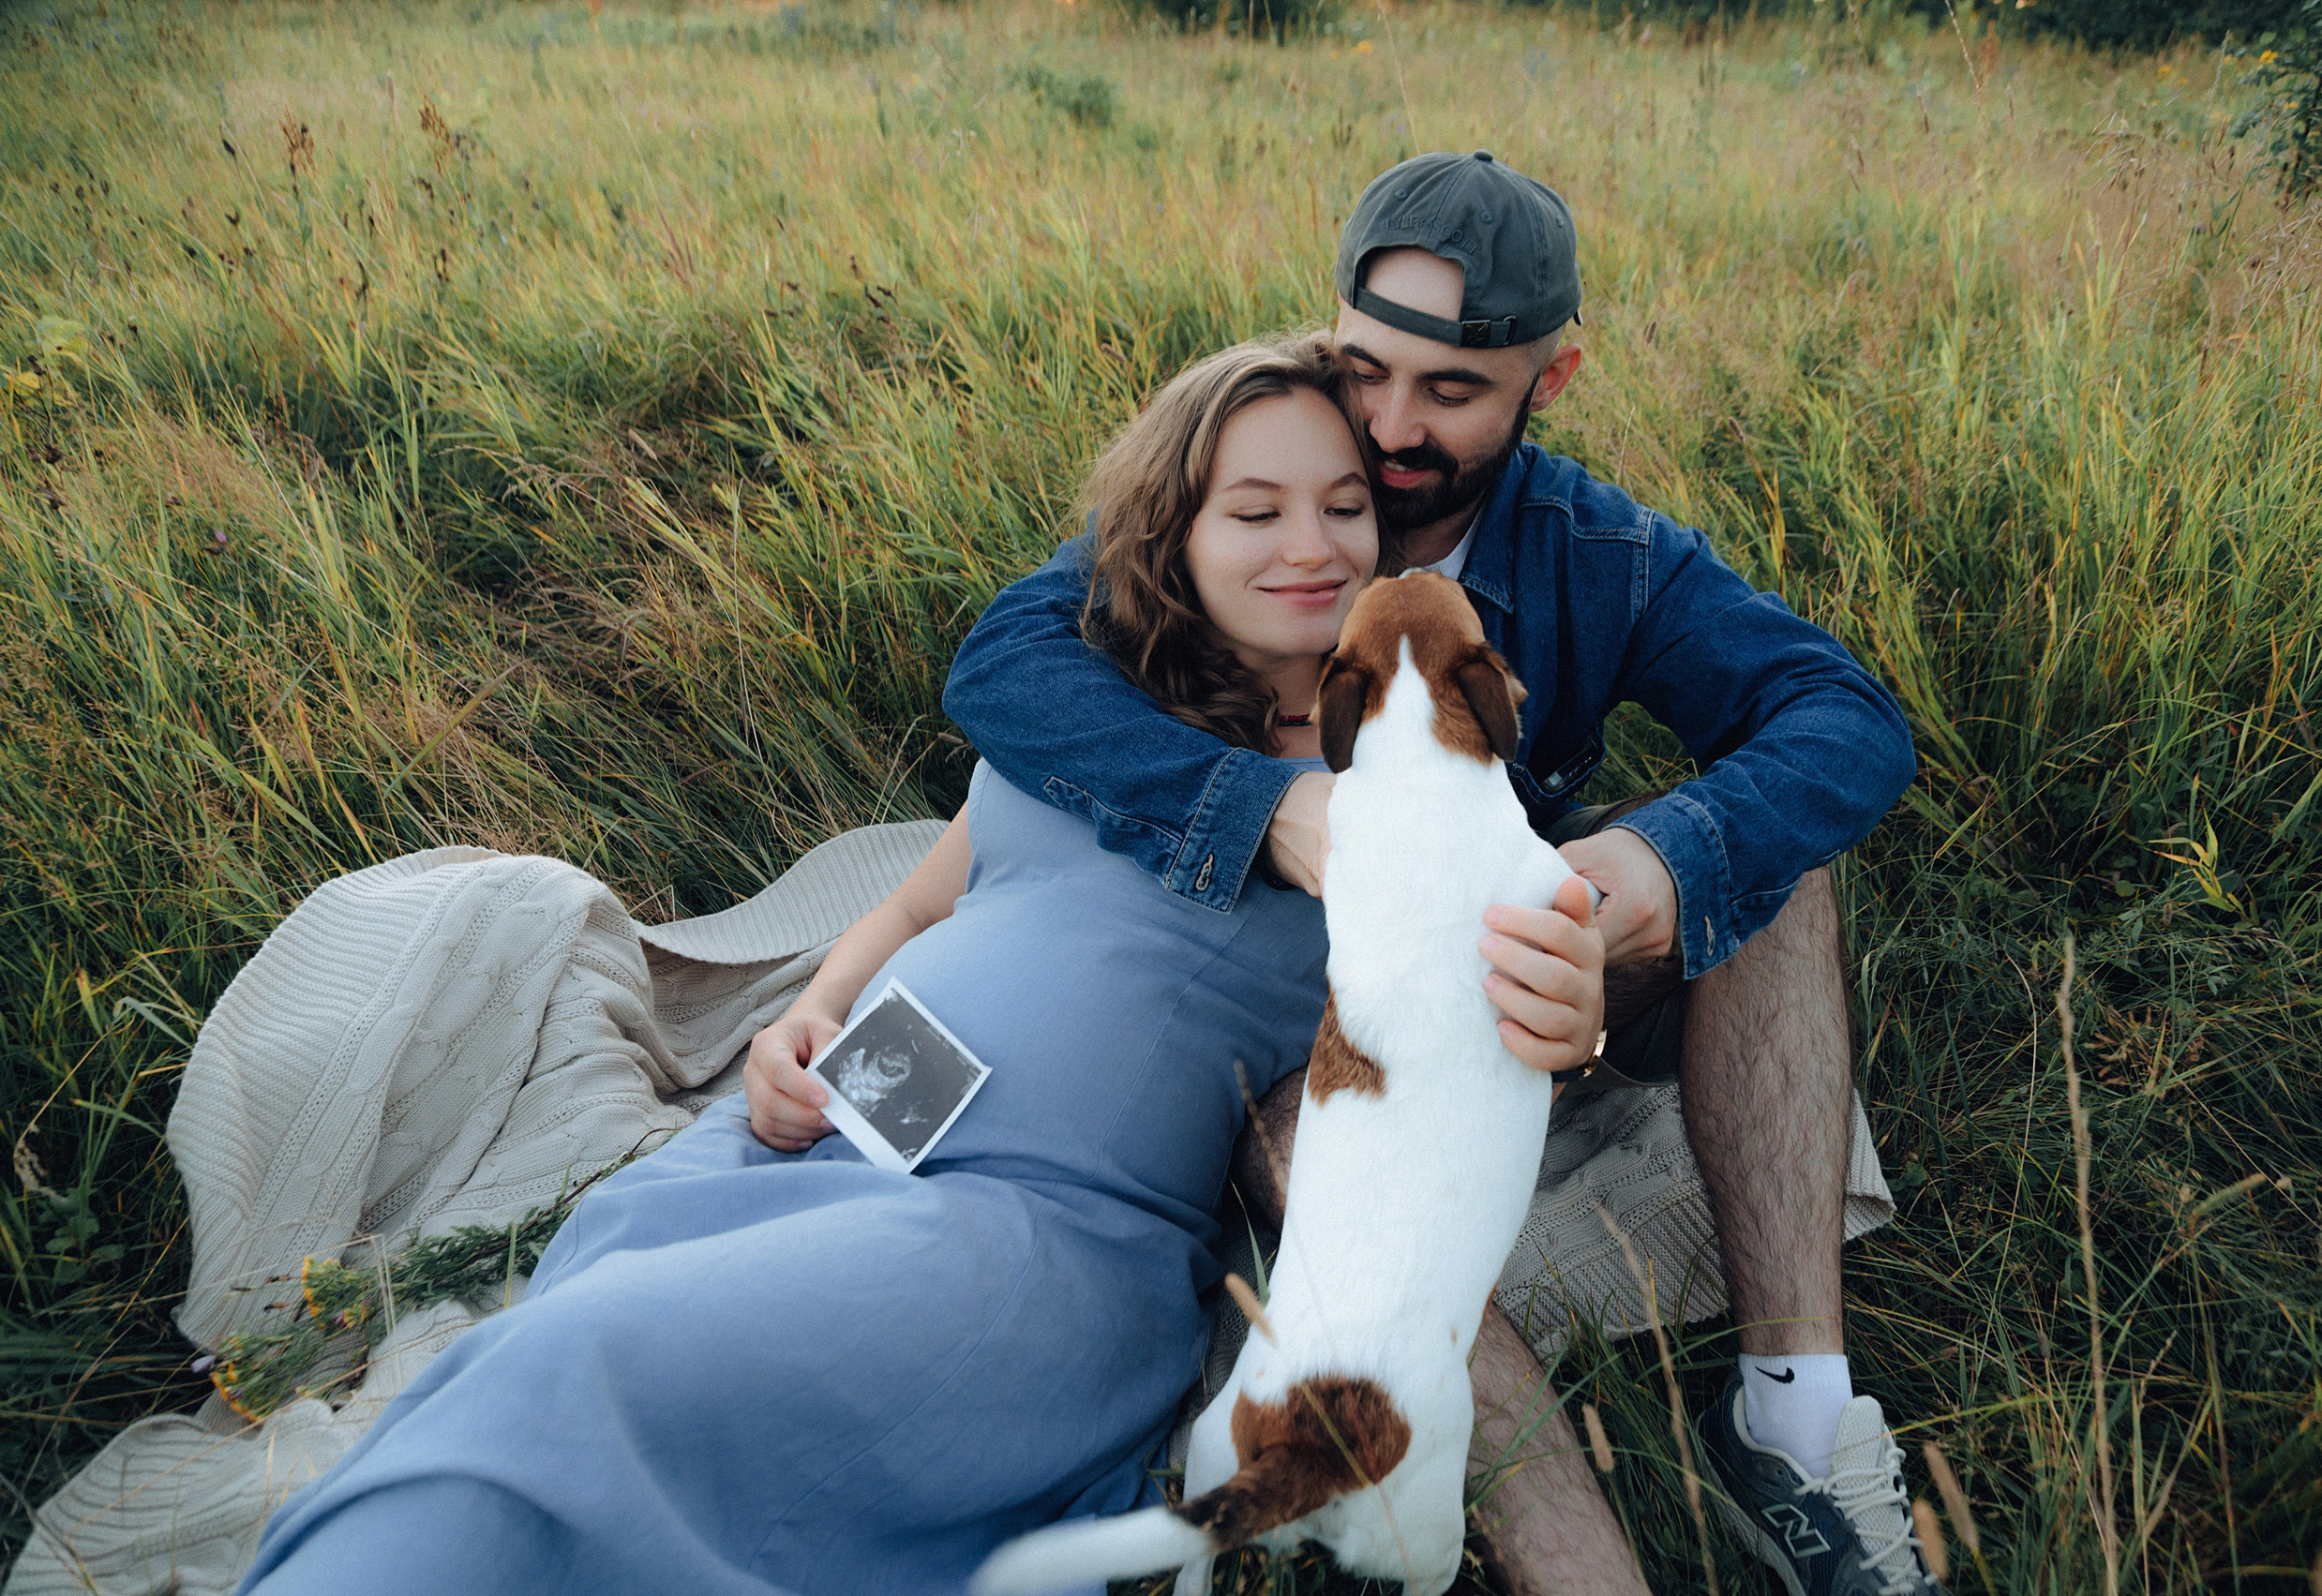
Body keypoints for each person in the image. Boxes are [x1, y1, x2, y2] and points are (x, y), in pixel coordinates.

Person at [233, 335, 1619, 1596]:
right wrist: (808, 1019)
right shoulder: (1092, 714)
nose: (1309, 546)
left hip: (1030, 1224)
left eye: (1343, 508)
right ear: (1176, 538)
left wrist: (1579, 1016)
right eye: (1254, 512)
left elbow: (1501, 995)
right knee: (540, 1354)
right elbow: (914, 903)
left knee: (567, 1374)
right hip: (832, 1142)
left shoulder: (1408, 794)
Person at [942, 152, 1940, 1596]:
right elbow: (1008, 662)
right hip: (1329, 1037)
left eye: (1454, 391)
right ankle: (1582, 1567)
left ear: (1554, 376)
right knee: (1351, 1166)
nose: (1393, 429)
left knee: (1778, 876)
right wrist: (1271, 810)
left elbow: (1843, 719)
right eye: (1369, 368)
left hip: (1545, 958)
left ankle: (1793, 1421)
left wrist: (1659, 868)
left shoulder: (1603, 553)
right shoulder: (1262, 471)